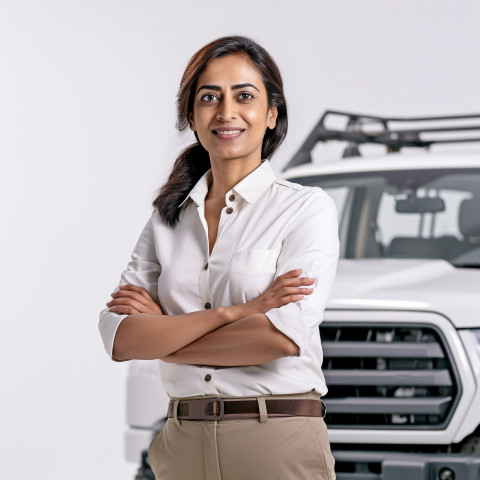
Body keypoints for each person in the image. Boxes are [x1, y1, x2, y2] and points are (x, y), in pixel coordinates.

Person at [99, 35, 339, 480]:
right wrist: (237, 313)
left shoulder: (305, 209)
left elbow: (277, 339)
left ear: (271, 114)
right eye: (210, 97)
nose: (226, 112)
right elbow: (119, 337)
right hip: (182, 442)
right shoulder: (167, 219)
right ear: (192, 115)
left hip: (276, 439)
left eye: (244, 96)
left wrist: (165, 335)